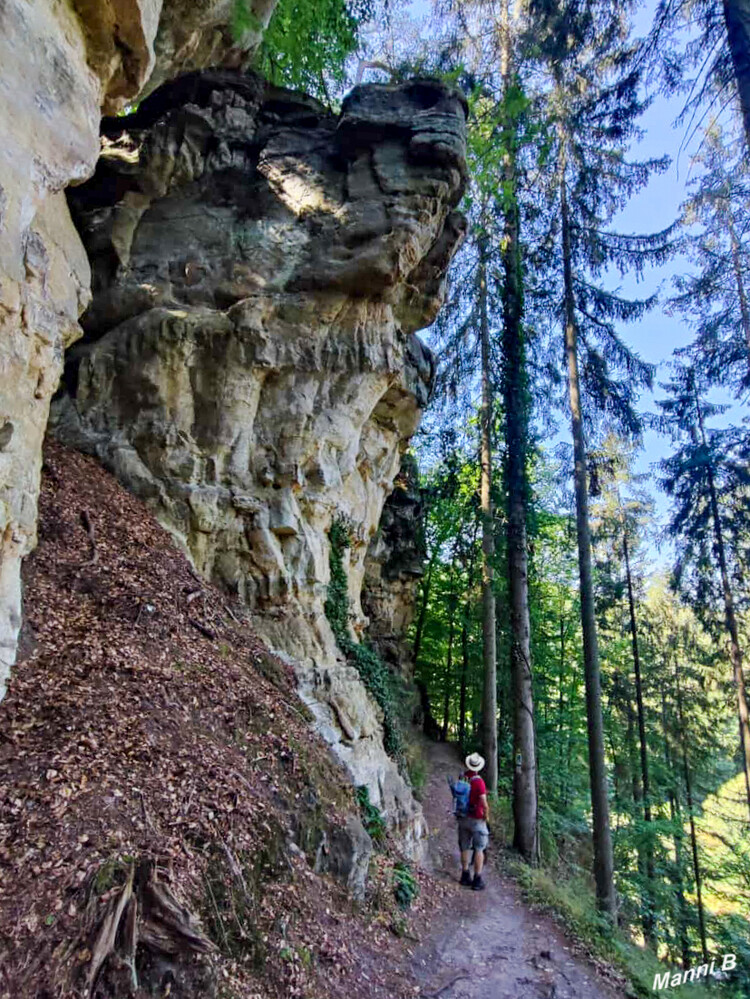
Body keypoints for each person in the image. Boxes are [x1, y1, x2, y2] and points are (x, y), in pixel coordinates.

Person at [457, 752, 489, 891]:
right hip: (477, 820)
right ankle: (477, 879)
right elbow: (484, 802)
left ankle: (464, 875)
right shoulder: (479, 782)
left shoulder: (463, 777)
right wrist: (486, 816)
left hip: (463, 817)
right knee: (479, 849)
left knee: (464, 847)